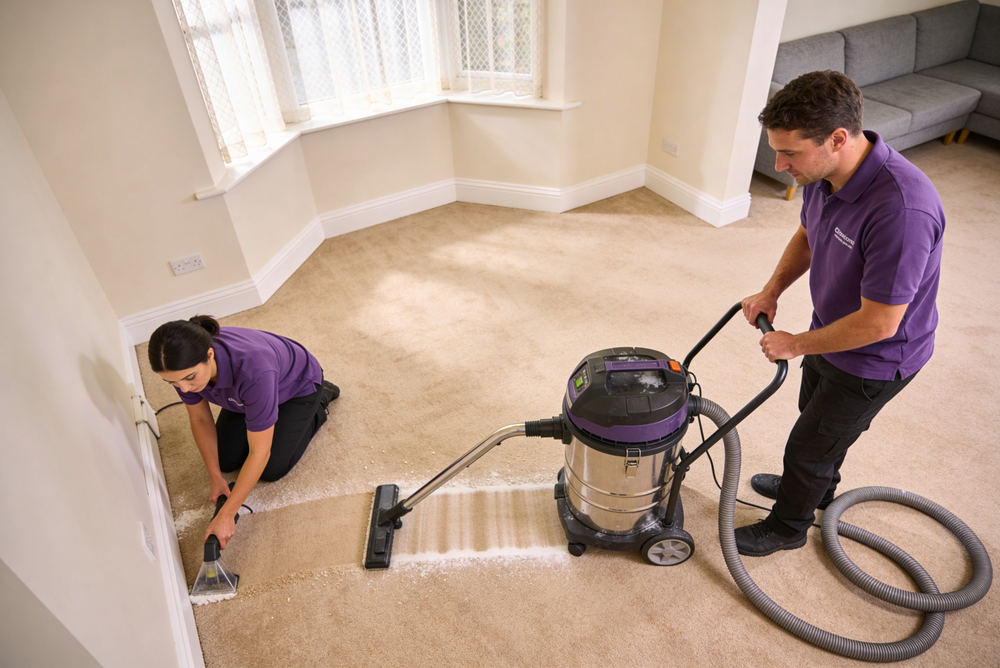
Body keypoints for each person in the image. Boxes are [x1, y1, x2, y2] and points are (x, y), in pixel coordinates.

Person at [736, 70, 945, 557]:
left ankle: (788, 527)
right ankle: (815, 490)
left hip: (877, 357)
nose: (780, 163)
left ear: (838, 138)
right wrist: (772, 292)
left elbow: (880, 324)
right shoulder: (823, 173)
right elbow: (809, 234)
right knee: (814, 425)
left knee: (808, 447)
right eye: (776, 149)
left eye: (791, 152)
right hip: (830, 331)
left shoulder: (901, 210)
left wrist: (793, 343)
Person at [149, 316, 339, 549]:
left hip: (296, 388)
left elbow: (260, 452)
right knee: (225, 459)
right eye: (173, 383)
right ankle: (258, 411)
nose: (185, 389)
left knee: (271, 469)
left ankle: (320, 403)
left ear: (210, 355)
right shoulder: (184, 371)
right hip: (245, 397)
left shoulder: (254, 370)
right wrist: (215, 476)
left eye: (190, 378)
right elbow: (199, 418)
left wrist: (228, 513)